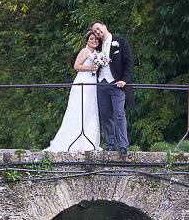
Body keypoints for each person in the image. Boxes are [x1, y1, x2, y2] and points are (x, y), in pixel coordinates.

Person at [45, 30, 102, 152]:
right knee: (80, 109)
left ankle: (90, 142)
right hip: (83, 81)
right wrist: (90, 68)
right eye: (91, 38)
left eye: (96, 38)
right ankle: (74, 141)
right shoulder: (85, 51)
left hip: (92, 83)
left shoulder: (97, 53)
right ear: (87, 40)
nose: (94, 40)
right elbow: (76, 66)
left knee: (90, 110)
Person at [90, 21, 134, 154]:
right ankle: (110, 144)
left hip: (116, 83)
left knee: (119, 114)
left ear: (104, 26)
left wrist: (124, 80)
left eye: (98, 29)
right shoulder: (97, 47)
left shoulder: (120, 42)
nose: (97, 32)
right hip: (101, 84)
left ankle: (123, 145)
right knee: (105, 114)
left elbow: (128, 63)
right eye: (95, 32)